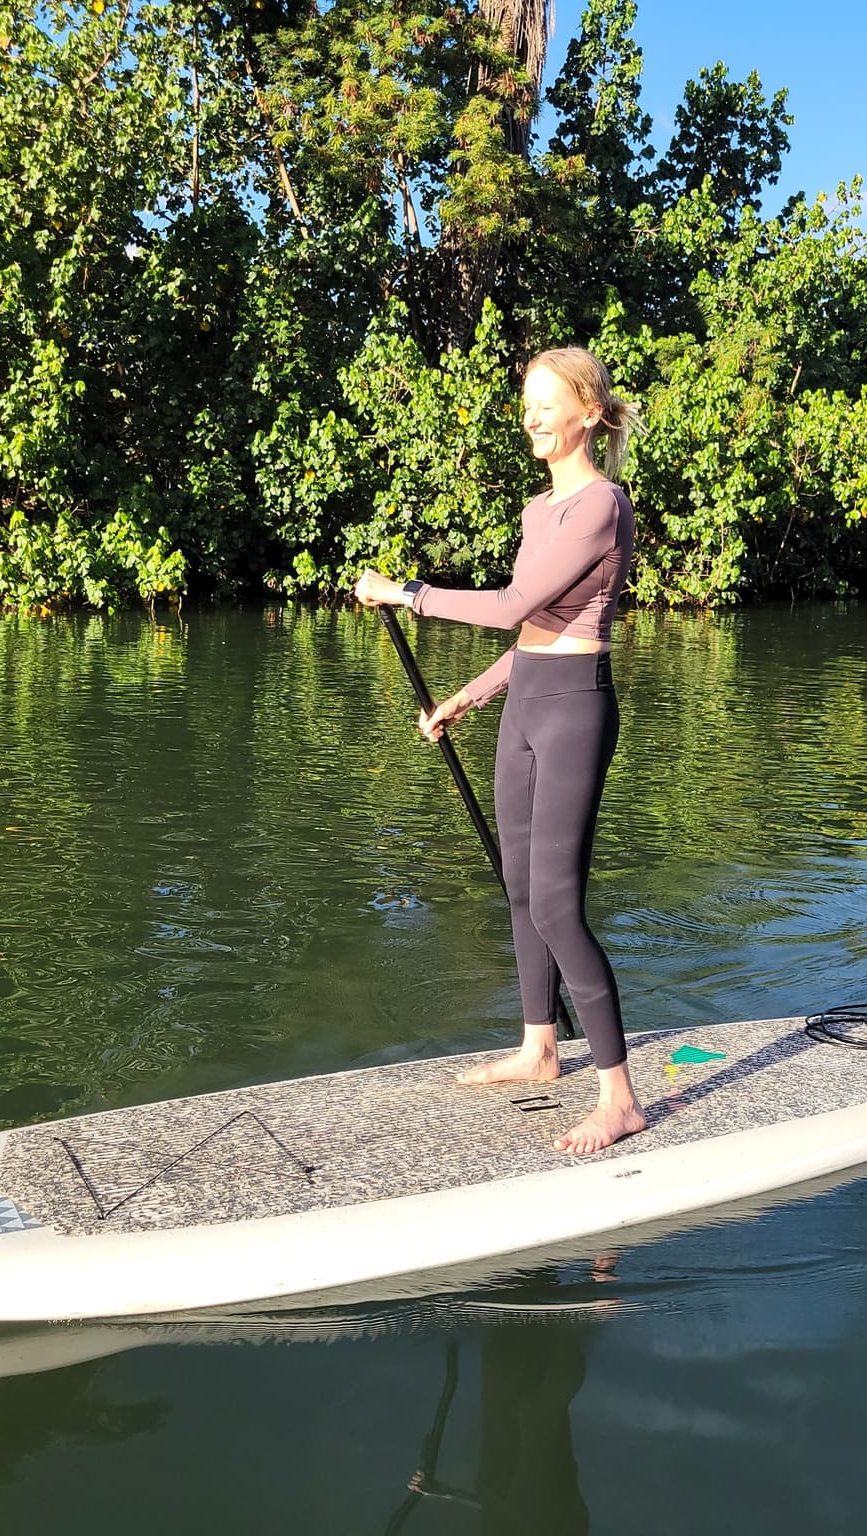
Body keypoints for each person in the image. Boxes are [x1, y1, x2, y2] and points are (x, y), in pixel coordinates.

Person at [355, 347, 643, 1155]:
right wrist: (464, 698)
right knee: (517, 887)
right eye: (526, 406)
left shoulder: (600, 505)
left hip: (576, 713)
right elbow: (528, 633)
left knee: (557, 903)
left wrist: (404, 592)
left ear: (589, 410)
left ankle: (619, 1096)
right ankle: (538, 1048)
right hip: (524, 706)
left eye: (548, 404)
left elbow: (514, 601)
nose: (533, 418)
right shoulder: (533, 511)